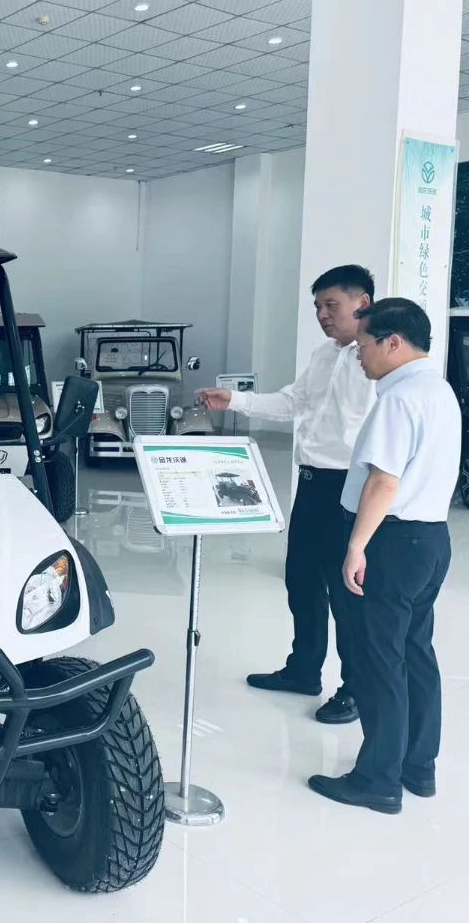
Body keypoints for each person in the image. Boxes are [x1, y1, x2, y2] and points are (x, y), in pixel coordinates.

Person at [197, 265, 375, 724]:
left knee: (347, 595)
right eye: (318, 306)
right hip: (311, 484)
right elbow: (292, 402)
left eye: (331, 305)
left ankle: (356, 688)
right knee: (302, 582)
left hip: (350, 488)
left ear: (362, 303)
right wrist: (235, 400)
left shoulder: (375, 362)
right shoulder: (323, 355)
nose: (322, 315)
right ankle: (303, 670)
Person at [309, 298, 459, 814]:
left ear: (393, 343)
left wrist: (356, 546)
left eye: (364, 345)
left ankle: (377, 780)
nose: (359, 356)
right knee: (416, 652)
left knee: (379, 661)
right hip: (430, 539)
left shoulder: (399, 399)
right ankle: (418, 767)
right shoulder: (438, 390)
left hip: (390, 542)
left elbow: (383, 481)